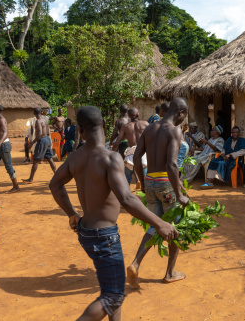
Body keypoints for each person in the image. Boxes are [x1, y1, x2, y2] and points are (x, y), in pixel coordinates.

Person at [49, 106, 177, 321]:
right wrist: (159, 223)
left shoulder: (75, 157)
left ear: (79, 130)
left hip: (86, 232)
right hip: (104, 236)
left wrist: (71, 213)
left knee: (111, 287)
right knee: (113, 296)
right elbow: (126, 199)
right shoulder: (110, 158)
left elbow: (55, 184)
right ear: (106, 125)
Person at [127, 97, 190, 288]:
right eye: (184, 116)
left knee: (155, 224)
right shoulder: (174, 130)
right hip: (166, 184)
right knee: (175, 227)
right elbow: (171, 164)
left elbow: (137, 157)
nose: (183, 121)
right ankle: (170, 273)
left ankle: (135, 263)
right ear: (180, 113)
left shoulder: (150, 128)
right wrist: (179, 193)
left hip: (151, 181)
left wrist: (143, 184)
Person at [113, 108, 149, 184]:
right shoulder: (145, 124)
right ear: (138, 115)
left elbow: (117, 142)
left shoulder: (125, 127)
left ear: (129, 116)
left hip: (130, 154)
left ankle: (126, 194)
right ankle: (146, 194)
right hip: (142, 153)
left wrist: (111, 153)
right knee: (145, 178)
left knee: (127, 179)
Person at [0, 105, 19, 193]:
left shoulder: (1, 120)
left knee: (8, 166)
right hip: (1, 146)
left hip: (4, 145)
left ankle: (16, 186)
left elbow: (6, 132)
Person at [23, 108, 57, 183]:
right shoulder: (45, 120)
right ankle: (57, 176)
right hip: (47, 139)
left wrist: (32, 143)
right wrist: (47, 140)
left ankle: (30, 179)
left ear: (34, 113)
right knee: (49, 158)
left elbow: (39, 134)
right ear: (41, 112)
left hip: (42, 140)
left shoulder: (38, 121)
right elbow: (48, 131)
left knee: (35, 160)